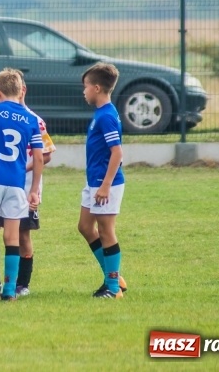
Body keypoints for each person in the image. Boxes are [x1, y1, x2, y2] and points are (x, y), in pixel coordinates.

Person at [0, 69, 43, 301]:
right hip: (17, 185)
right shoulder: (31, 119)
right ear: (19, 91)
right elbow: (39, 155)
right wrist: (34, 189)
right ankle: (9, 290)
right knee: (12, 238)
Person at [0, 72, 56, 297]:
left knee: (22, 234)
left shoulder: (35, 120)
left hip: (24, 187)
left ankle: (22, 283)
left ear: (23, 91)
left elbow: (45, 155)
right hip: (1, 184)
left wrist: (18, 168)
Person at [77, 62, 127, 299]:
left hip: (105, 183)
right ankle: (113, 277)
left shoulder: (106, 116)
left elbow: (117, 153)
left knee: (106, 231)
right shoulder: (102, 113)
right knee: (85, 227)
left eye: (85, 87)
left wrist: (106, 185)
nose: (83, 92)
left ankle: (114, 287)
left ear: (96, 88)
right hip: (94, 181)